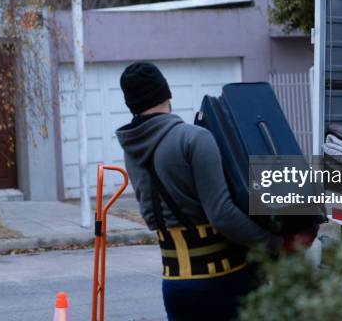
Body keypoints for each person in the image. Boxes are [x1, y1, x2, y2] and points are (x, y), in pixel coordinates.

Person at [116, 62, 283, 321]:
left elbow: (151, 217)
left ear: (131, 105)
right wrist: (275, 244)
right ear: (167, 94)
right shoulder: (194, 138)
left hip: (174, 284)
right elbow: (222, 214)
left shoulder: (131, 151)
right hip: (223, 280)